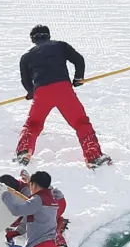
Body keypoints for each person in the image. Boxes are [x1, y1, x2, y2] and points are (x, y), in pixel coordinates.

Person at [15, 25, 111, 169]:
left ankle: (23, 152)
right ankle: (94, 156)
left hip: (42, 92)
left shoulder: (26, 57)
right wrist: (78, 78)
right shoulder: (60, 46)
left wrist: (31, 92)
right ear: (48, 36)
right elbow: (79, 60)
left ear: (33, 39)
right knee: (80, 122)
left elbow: (25, 80)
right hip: (63, 90)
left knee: (33, 124)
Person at [2, 170, 70, 247]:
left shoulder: (27, 193)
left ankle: (61, 246)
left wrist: (17, 231)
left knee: (45, 227)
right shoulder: (18, 188)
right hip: (50, 202)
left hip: (56, 203)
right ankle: (59, 220)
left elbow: (29, 216)